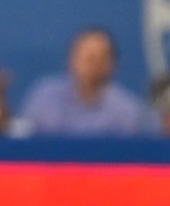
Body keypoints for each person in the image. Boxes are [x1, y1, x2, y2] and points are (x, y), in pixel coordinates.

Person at [17, 28, 160, 137]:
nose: (91, 66)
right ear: (70, 59)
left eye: (99, 59)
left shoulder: (127, 110)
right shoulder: (44, 96)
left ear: (111, 64)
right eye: (86, 58)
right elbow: (22, 139)